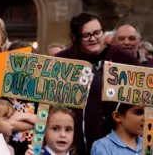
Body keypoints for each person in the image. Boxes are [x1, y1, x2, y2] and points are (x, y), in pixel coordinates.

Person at [55, 12, 139, 154]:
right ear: (75, 38)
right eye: (87, 35)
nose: (93, 39)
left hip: (115, 145)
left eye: (97, 33)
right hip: (72, 142)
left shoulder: (124, 59)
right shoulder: (62, 61)